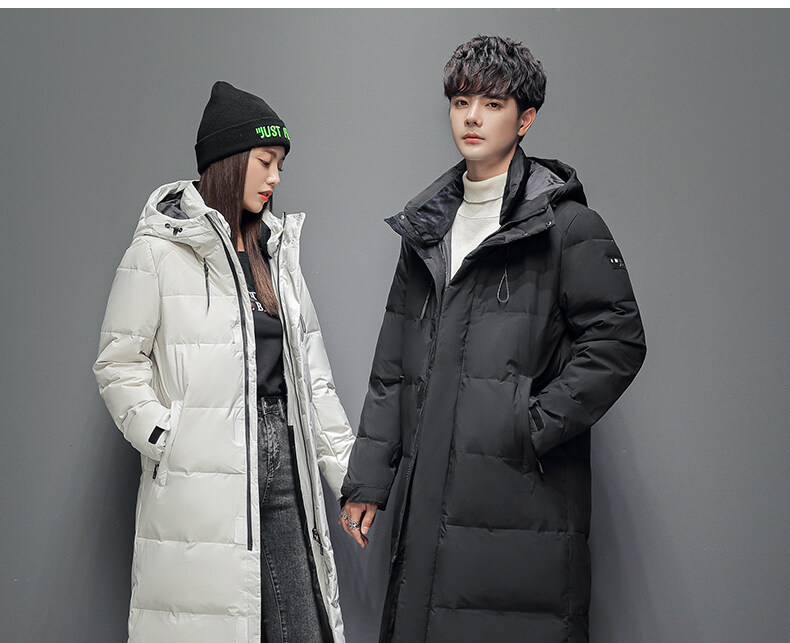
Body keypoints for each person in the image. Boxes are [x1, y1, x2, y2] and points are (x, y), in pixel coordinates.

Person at [339, 36, 647, 641]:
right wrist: (370, 477)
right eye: (461, 102)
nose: (472, 117)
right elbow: (393, 361)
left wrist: (529, 424)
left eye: (492, 103)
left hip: (519, 498)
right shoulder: (427, 229)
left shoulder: (567, 226)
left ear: (524, 119)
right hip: (430, 490)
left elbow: (618, 340)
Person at [94, 81, 355, 642]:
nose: (275, 177)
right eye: (265, 161)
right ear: (230, 161)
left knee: (300, 625)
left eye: (280, 164)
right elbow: (118, 363)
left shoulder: (275, 255)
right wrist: (167, 436)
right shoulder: (158, 251)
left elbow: (313, 379)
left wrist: (350, 479)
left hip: (283, 459)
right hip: (201, 470)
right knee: (212, 622)